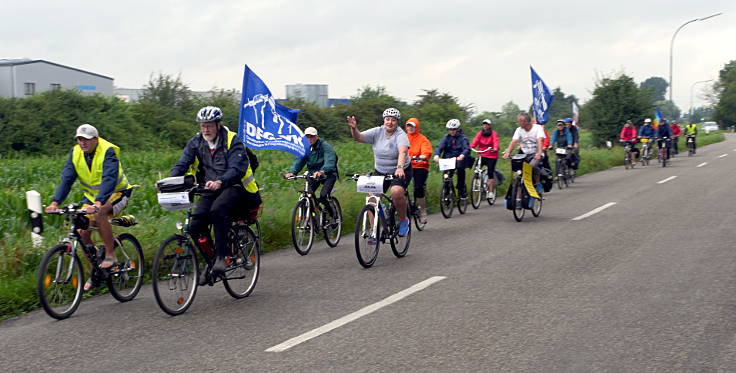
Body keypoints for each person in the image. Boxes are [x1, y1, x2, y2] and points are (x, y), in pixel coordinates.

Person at [170, 106, 261, 278]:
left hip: (236, 187)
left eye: (209, 125)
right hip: (210, 188)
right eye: (203, 125)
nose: (206, 129)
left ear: (218, 125)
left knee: (218, 210)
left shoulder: (232, 140)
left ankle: (222, 256)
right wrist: (168, 181)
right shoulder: (196, 142)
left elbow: (237, 169)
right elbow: (182, 164)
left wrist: (221, 181)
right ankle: (211, 262)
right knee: (195, 225)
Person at [46, 124, 134, 291]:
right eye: (79, 139)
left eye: (86, 139)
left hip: (117, 193)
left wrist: (99, 202)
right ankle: (97, 270)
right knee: (81, 232)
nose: (82, 143)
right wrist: (55, 202)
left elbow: (109, 178)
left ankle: (110, 254)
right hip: (92, 198)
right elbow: (67, 179)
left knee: (100, 214)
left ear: (95, 139)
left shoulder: (108, 151)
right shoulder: (76, 152)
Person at [346, 108, 411, 236]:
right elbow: (358, 137)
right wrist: (354, 128)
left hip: (400, 170)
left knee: (396, 192)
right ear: (384, 120)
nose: (390, 122)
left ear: (397, 122)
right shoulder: (377, 131)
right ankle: (374, 231)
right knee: (372, 199)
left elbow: (403, 151)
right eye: (387, 119)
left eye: (393, 120)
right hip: (381, 171)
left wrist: (399, 167)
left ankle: (404, 220)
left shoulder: (400, 134)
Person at [283, 127, 338, 217]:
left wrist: (322, 171)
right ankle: (313, 217)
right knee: (308, 194)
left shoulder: (325, 146)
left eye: (311, 136)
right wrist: (292, 172)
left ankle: (333, 215)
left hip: (328, 174)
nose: (309, 139)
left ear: (316, 136)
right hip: (313, 175)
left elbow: (330, 160)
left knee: (323, 196)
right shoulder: (306, 148)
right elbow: (299, 161)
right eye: (307, 137)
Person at [503, 112, 545, 190]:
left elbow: (539, 140)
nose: (518, 123)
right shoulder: (518, 130)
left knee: (531, 166)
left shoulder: (538, 128)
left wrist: (539, 153)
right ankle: (517, 194)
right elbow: (513, 141)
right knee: (517, 167)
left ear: (525, 122)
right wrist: (508, 152)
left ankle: (538, 183)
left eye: (520, 121)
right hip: (524, 154)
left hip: (535, 153)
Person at [433, 119, 471, 198]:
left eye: (453, 129)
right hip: (448, 159)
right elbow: (440, 146)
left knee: (460, 169)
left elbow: (466, 148)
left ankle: (461, 189)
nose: (451, 131)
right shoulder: (446, 137)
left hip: (458, 158)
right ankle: (447, 192)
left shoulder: (463, 138)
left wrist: (462, 155)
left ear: (457, 129)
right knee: (446, 176)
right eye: (450, 129)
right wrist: (437, 155)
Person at [405, 118, 432, 224]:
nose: (410, 128)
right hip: (406, 166)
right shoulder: (403, 138)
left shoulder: (422, 139)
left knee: (418, 187)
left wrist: (423, 156)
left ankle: (423, 210)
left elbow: (426, 150)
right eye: (408, 126)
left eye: (412, 126)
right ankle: (405, 209)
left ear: (417, 127)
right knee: (400, 187)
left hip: (420, 166)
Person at [470, 119, 500, 199]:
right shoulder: (480, 134)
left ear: (489, 126)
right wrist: (470, 147)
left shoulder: (493, 133)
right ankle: (479, 181)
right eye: (484, 124)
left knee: (490, 172)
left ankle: (490, 192)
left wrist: (495, 148)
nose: (485, 126)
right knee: (477, 169)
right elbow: (475, 142)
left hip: (491, 155)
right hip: (482, 154)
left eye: (487, 124)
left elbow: (495, 141)